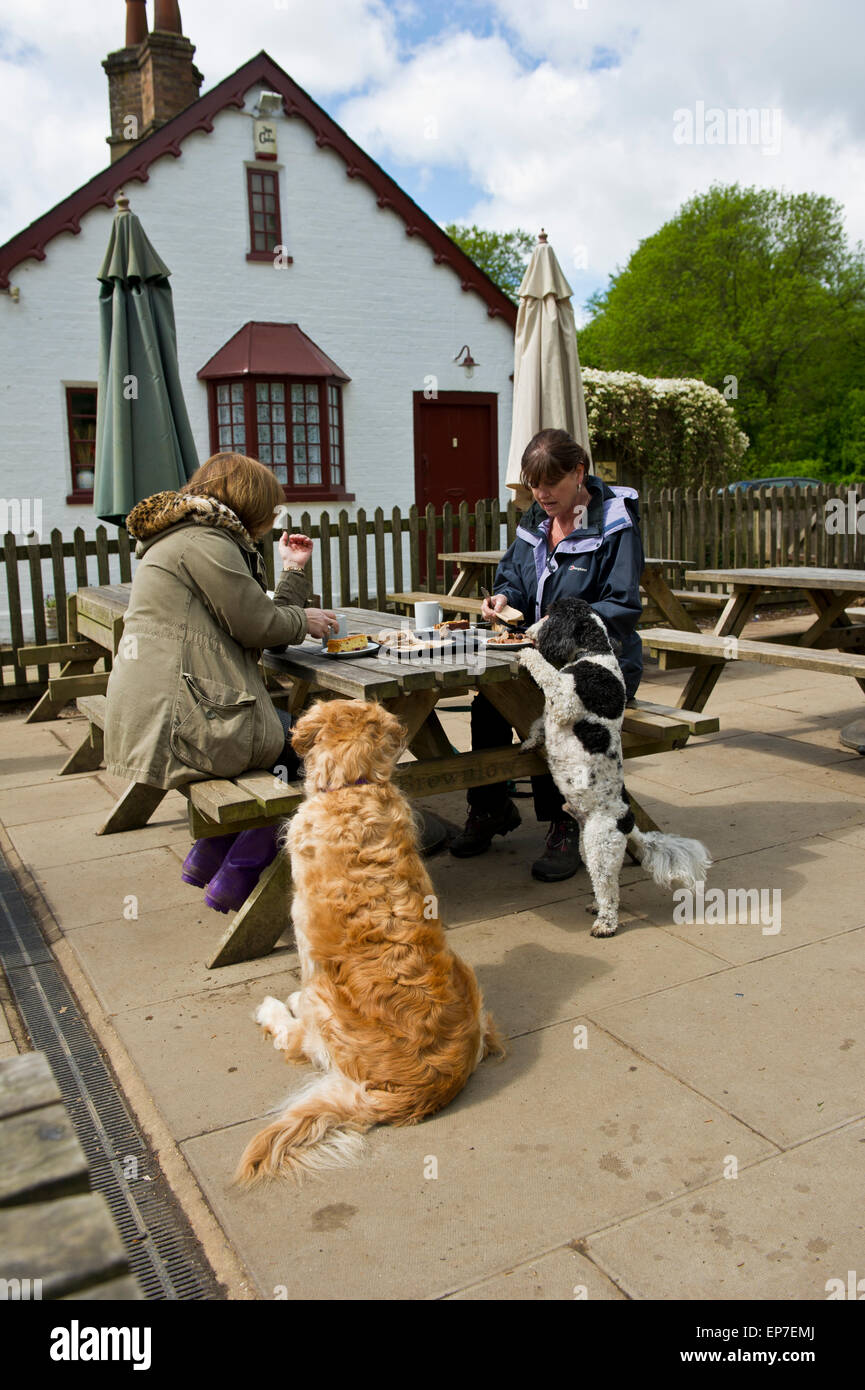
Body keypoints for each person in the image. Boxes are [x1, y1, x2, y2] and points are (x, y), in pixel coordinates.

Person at [104, 452, 339, 911]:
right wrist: (301, 618)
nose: (274, 519)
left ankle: (209, 856)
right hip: (184, 723)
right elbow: (259, 625)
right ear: (250, 501)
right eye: (271, 508)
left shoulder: (191, 536)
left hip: (166, 713)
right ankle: (235, 877)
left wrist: (292, 571)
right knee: (321, 750)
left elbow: (260, 621)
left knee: (294, 744)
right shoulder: (205, 541)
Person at [449, 428, 645, 882]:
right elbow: (513, 577)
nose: (540, 494)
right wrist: (501, 598)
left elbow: (620, 608)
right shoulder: (536, 518)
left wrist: (553, 633)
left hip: (601, 666)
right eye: (534, 485)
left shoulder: (615, 522)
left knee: (552, 711)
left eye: (550, 484)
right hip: (538, 658)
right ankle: (490, 807)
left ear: (579, 474)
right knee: (488, 705)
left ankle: (565, 821)